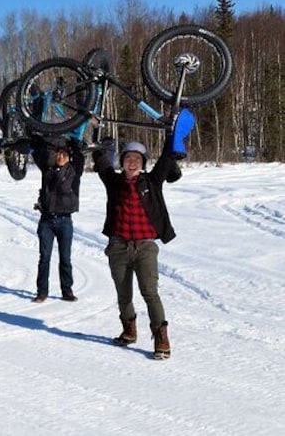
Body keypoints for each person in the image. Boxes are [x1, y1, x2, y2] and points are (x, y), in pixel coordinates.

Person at [93, 138, 181, 360]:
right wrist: (96, 140)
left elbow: (166, 158)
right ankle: (129, 329)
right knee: (124, 294)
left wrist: (173, 135)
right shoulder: (113, 182)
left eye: (137, 159)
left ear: (142, 163)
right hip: (118, 247)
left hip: (145, 248)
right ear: (122, 162)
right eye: (128, 158)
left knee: (150, 292)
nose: (132, 162)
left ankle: (161, 337)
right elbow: (100, 159)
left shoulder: (152, 181)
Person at [30, 136, 85, 303]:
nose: (60, 157)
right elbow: (39, 155)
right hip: (46, 220)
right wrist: (40, 142)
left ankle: (67, 290)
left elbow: (80, 158)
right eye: (58, 154)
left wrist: (75, 146)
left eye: (64, 155)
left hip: (64, 221)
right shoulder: (47, 169)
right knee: (44, 257)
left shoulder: (74, 171)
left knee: (65, 257)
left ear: (69, 157)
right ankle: (42, 292)